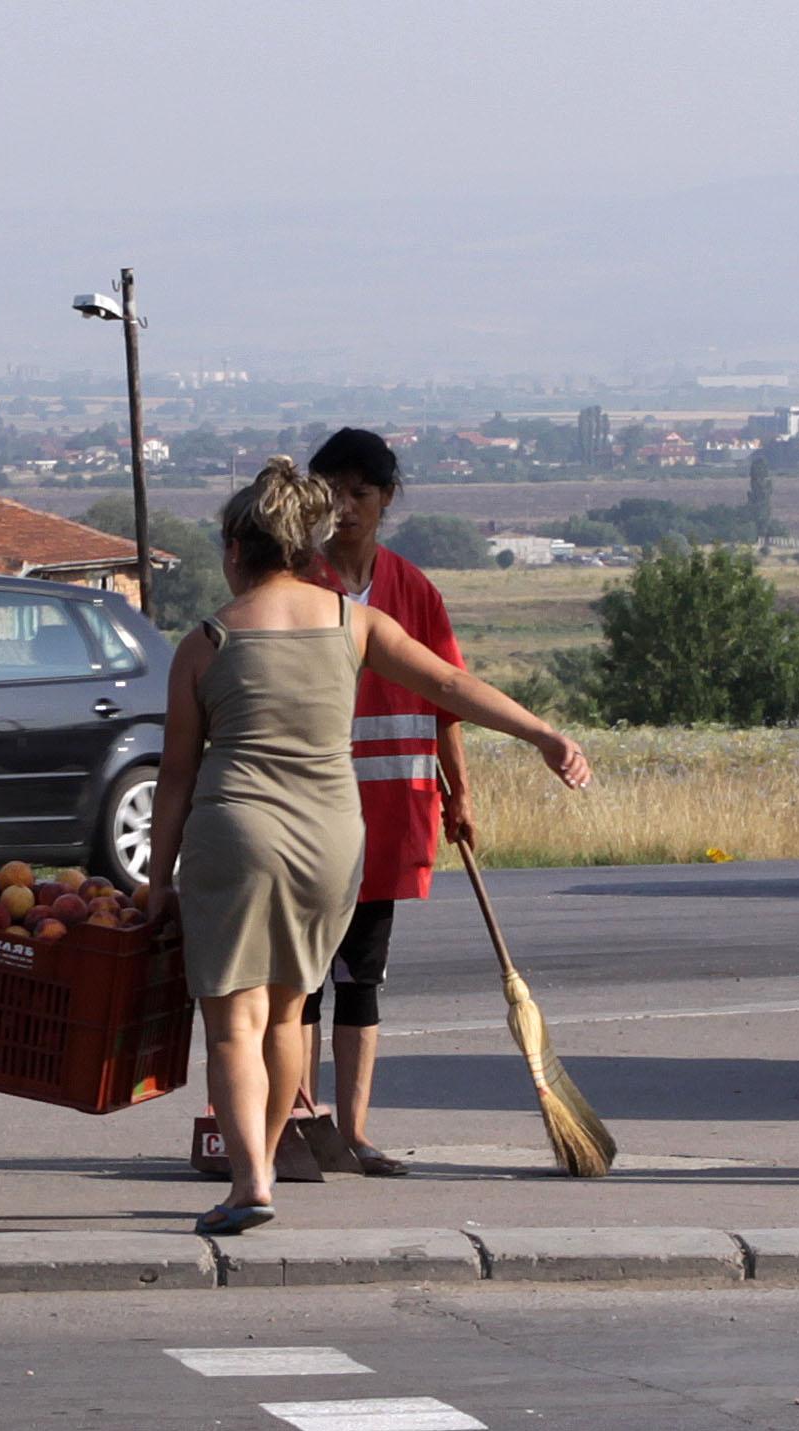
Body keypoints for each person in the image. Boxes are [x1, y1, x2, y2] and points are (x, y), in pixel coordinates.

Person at [145, 457, 588, 1236]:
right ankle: (270, 1159)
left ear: (235, 550)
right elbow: (448, 685)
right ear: (304, 548)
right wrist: (543, 733)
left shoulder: (206, 642)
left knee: (232, 1025)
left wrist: (157, 880)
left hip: (237, 834)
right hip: (330, 839)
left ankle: (252, 1179)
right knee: (288, 1013)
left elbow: (177, 778)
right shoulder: (354, 622)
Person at [300, 427, 469, 1176]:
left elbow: (446, 700)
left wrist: (459, 793)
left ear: (386, 498)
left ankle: (357, 1132)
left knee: (360, 979)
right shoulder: (296, 586)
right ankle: (298, 1125)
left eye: (358, 493)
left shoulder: (414, 591)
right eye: (330, 492)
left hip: (392, 813)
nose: (343, 508)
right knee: (299, 981)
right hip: (308, 817)